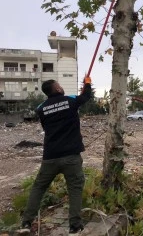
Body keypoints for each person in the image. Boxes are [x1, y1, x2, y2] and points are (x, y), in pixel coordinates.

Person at [18, 77, 92, 235]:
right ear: (57, 89)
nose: (61, 87)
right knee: (75, 189)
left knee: (38, 187)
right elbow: (85, 97)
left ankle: (26, 222)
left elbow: (48, 124)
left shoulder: (41, 108)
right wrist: (87, 84)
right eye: (59, 85)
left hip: (50, 156)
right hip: (71, 156)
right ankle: (74, 226)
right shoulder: (70, 101)